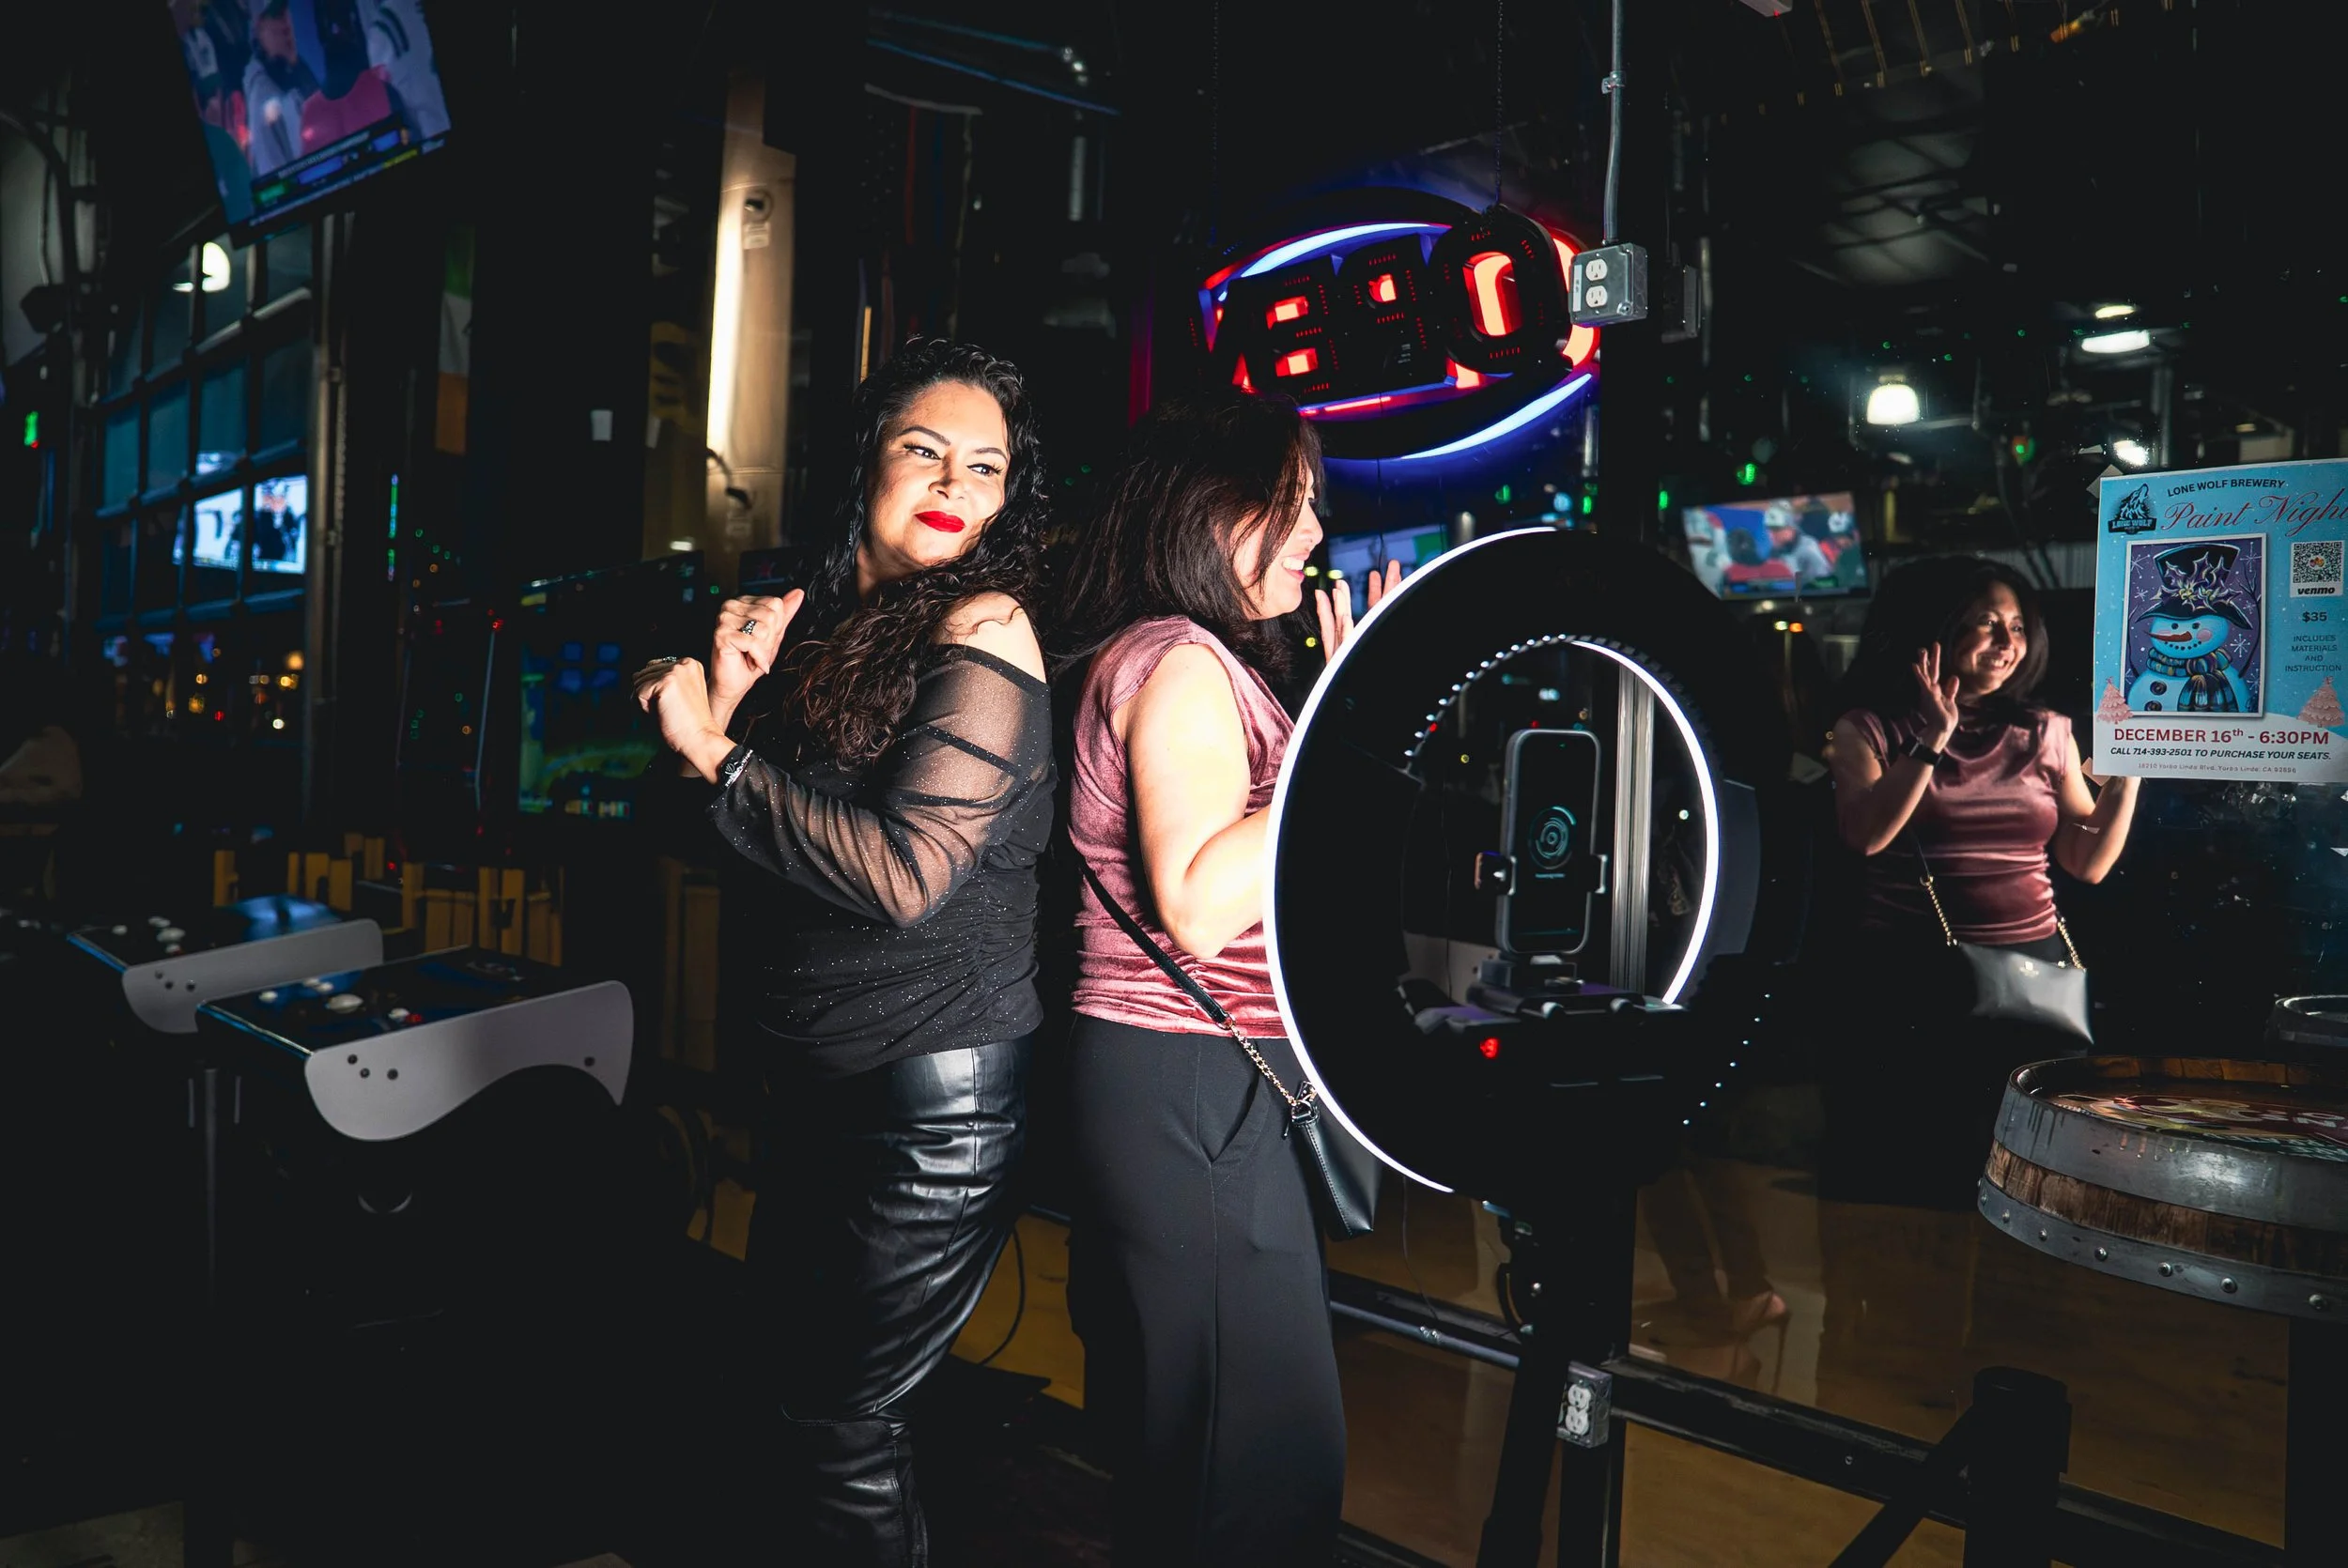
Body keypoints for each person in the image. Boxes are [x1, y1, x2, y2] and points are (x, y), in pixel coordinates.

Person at [633, 339, 1053, 1565]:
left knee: (839, 1421)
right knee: (787, 1400)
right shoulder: (820, 628)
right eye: (925, 448)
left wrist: (712, 746)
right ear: (866, 459)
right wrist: (726, 694)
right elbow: (713, 841)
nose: (955, 482)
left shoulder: (988, 625)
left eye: (986, 465)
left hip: (928, 1104)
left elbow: (905, 876)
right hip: (818, 1087)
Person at [1053, 391, 1398, 1567]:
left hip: (1187, 1078)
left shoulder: (1180, 654)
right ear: (1209, 512)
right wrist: (1350, 725)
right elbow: (1199, 901)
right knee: (1256, 1464)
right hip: (1193, 1078)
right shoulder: (1180, 659)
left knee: (1210, 1446)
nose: (1315, 534)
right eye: (1291, 504)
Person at [1822, 556, 2139, 1206]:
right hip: (1912, 971)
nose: (2006, 642)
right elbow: (1866, 834)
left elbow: (2087, 860)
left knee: (2016, 1163)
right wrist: (1932, 739)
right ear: (1934, 631)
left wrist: (2134, 768)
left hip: (2030, 973)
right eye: (1986, 623)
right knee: (1913, 1164)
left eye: (2017, 627)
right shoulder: (1869, 728)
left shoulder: (2045, 732)